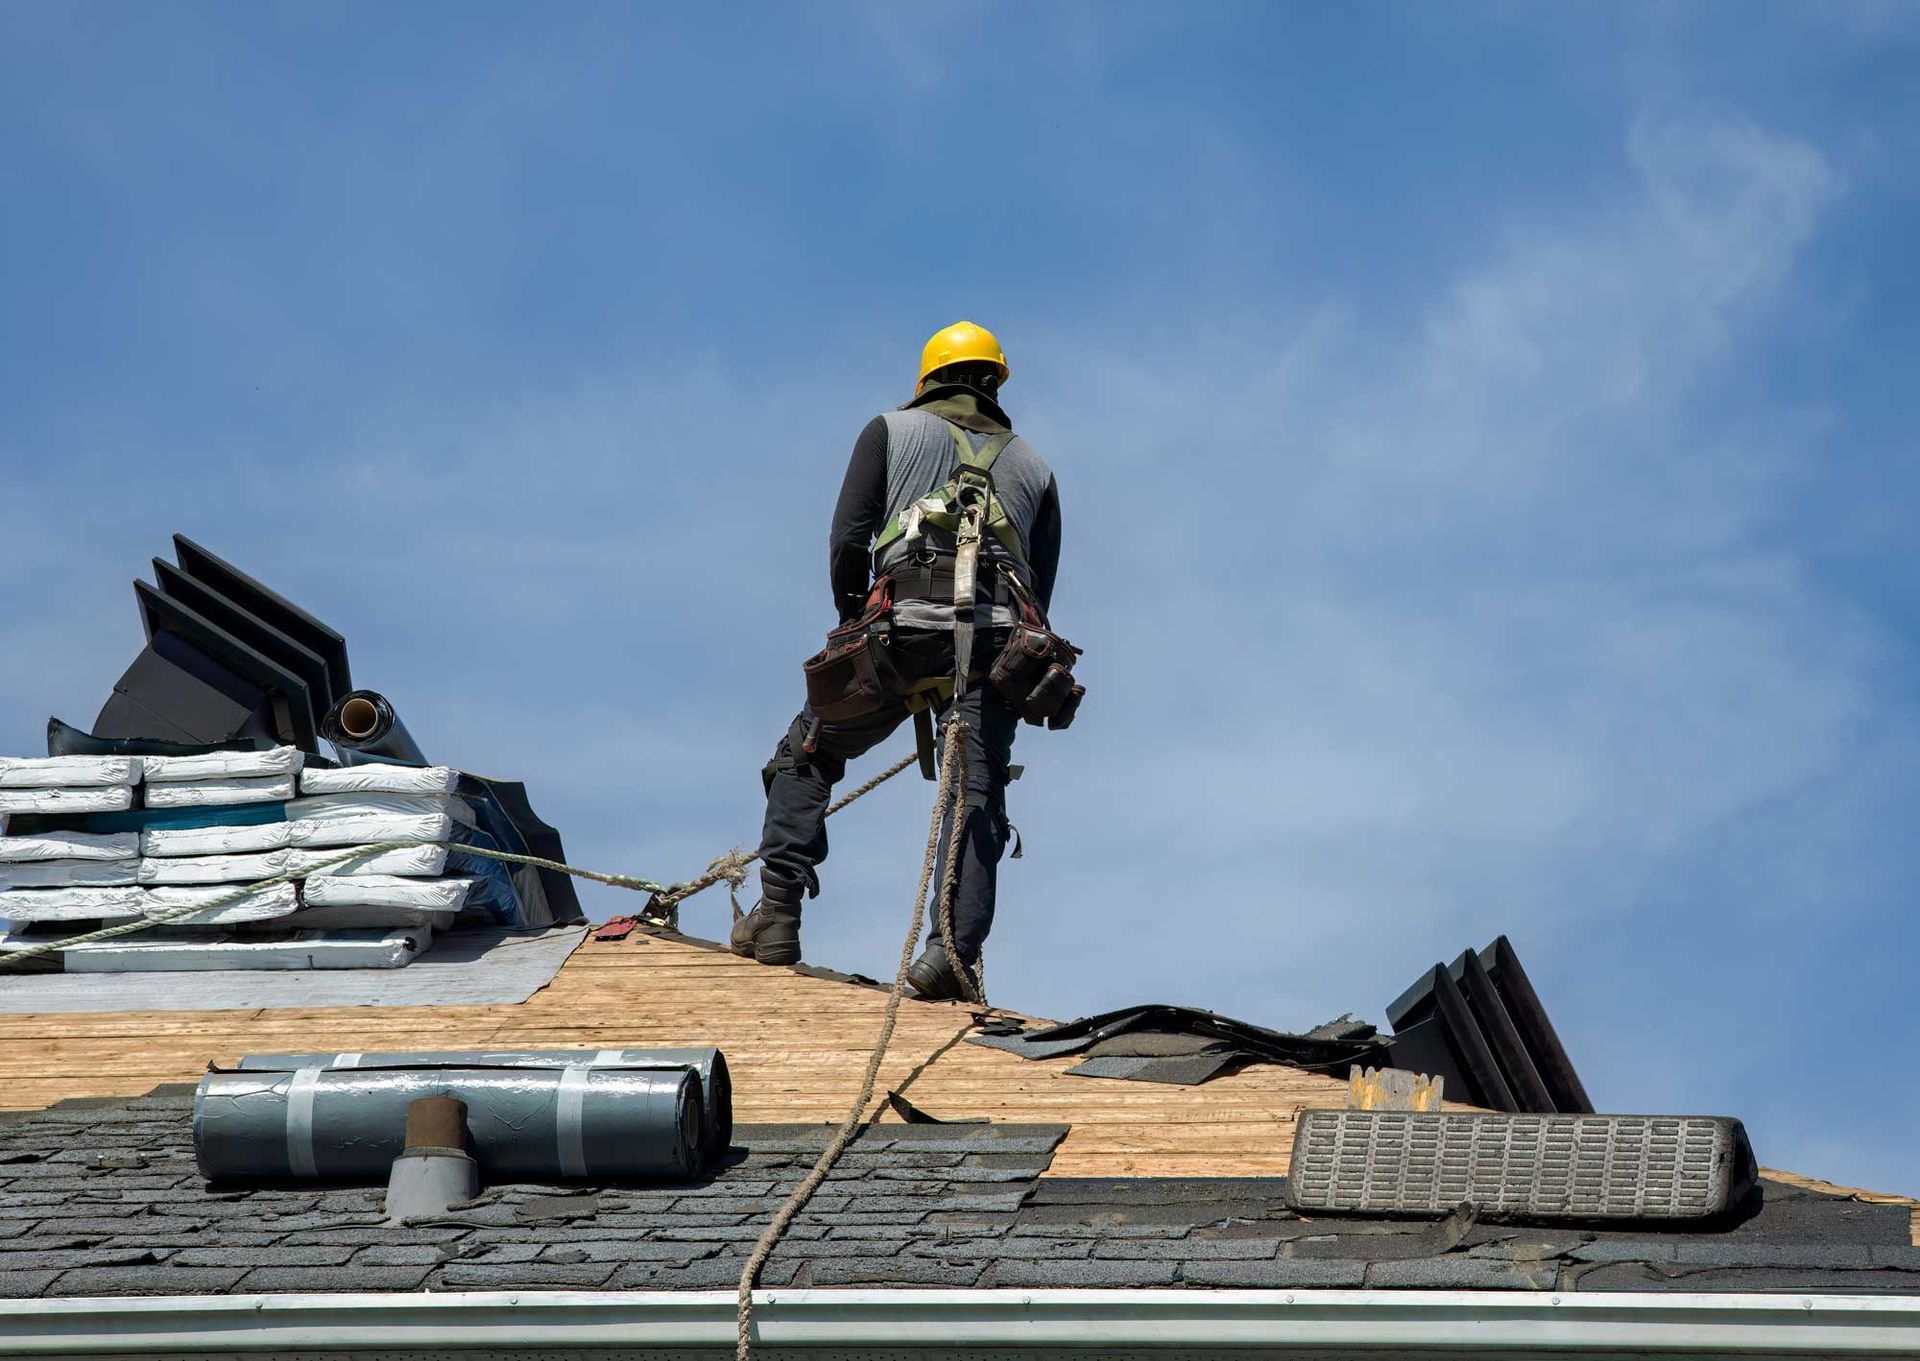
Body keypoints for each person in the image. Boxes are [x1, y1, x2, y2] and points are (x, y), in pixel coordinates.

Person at [732, 320, 1064, 1000]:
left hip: (899, 632)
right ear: (995, 382)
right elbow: (1042, 592)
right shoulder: (1037, 467)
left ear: (927, 381)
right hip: (997, 646)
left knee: (808, 750)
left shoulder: (888, 430)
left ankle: (778, 916)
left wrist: (854, 622)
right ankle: (948, 952)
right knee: (976, 789)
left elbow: (849, 539)